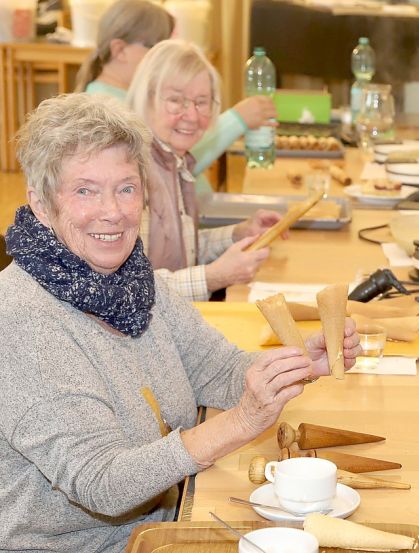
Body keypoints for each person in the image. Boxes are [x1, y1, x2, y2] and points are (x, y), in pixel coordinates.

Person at [0, 92, 360, 552]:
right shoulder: (21, 321)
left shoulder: (132, 282)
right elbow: (103, 483)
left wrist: (298, 363)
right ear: (42, 205)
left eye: (126, 188)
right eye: (85, 190)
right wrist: (240, 423)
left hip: (172, 517)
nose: (112, 211)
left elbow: (218, 370)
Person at [128, 39, 281, 300]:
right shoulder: (132, 172)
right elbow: (131, 290)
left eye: (201, 102)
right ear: (147, 98)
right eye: (176, 101)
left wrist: (239, 233)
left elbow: (182, 251)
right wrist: (216, 276)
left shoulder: (173, 161)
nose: (192, 115)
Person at [75, 0, 277, 195]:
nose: (167, 58)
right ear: (120, 50)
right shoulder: (106, 111)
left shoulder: (126, 96)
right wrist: (237, 119)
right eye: (157, 48)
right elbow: (170, 159)